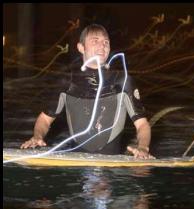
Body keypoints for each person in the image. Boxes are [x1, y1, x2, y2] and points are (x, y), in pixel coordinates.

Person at [20, 24, 154, 159]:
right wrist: (37, 137)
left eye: (106, 42)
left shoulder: (122, 81)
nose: (102, 46)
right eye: (95, 41)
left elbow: (142, 124)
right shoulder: (67, 80)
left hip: (111, 167)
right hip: (77, 165)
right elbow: (44, 119)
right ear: (81, 47)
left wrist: (142, 148)